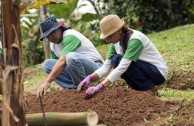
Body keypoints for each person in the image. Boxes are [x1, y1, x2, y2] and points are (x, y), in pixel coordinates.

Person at [77, 14, 168, 97]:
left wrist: (100, 87)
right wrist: (89, 78)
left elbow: (122, 67)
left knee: (120, 61)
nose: (108, 40)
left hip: (158, 73)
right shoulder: (115, 43)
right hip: (144, 70)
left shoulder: (135, 40)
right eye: (107, 37)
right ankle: (139, 90)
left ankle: (149, 89)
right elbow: (106, 67)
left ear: (119, 30)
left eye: (110, 36)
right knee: (115, 60)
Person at [37, 17, 103, 97]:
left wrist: (47, 81)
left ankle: (83, 87)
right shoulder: (53, 46)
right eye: (47, 36)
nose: (50, 37)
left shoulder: (70, 35)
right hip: (76, 72)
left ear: (59, 29)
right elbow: (56, 67)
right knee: (47, 64)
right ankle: (74, 88)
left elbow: (62, 61)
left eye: (52, 33)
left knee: (71, 57)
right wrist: (46, 81)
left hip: (95, 68)